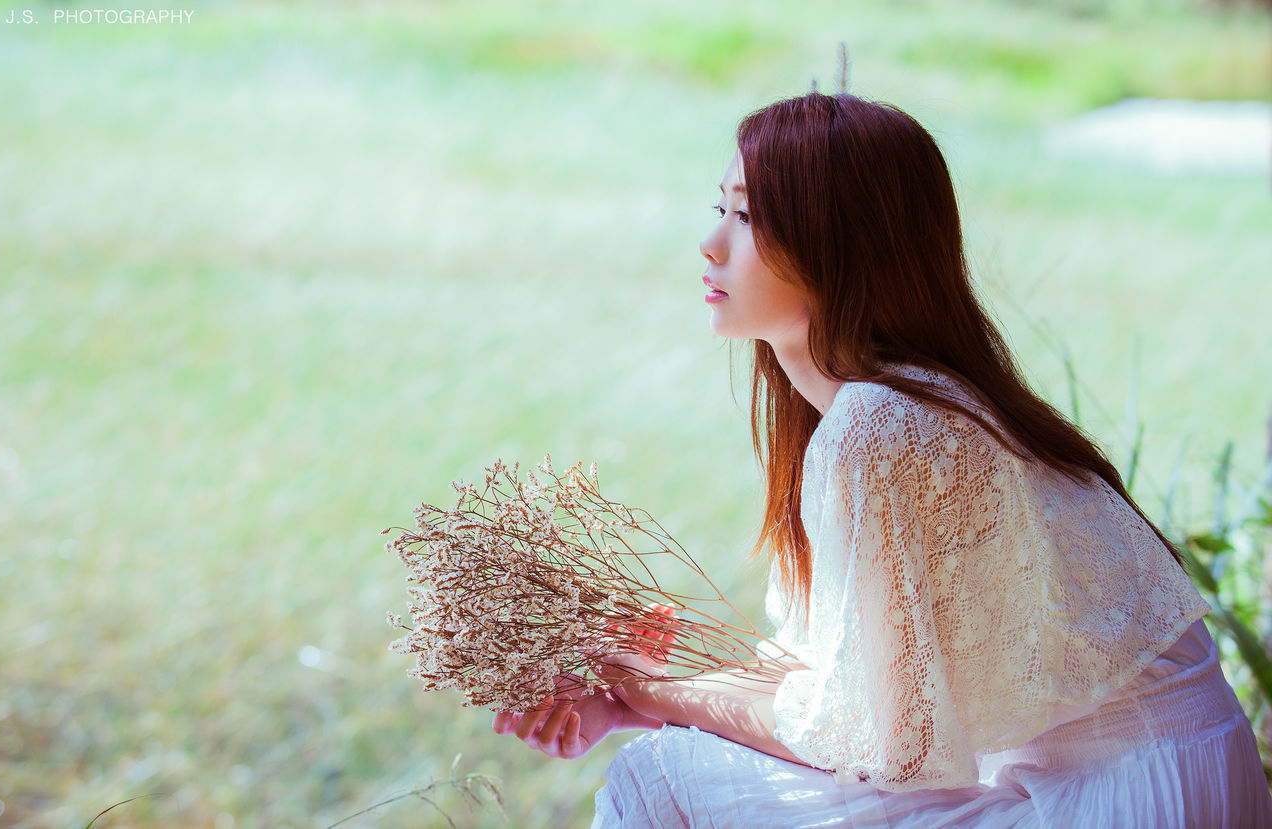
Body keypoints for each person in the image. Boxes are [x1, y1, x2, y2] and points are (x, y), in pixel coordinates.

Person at [491, 91, 1271, 827]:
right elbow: (845, 691)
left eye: (747, 216)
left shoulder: (883, 426)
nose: (711, 241)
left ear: (838, 246)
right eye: (720, 209)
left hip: (1132, 795)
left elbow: (883, 743)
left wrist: (653, 689)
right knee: (678, 756)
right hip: (1146, 779)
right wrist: (641, 691)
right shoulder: (892, 407)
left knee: (658, 776)